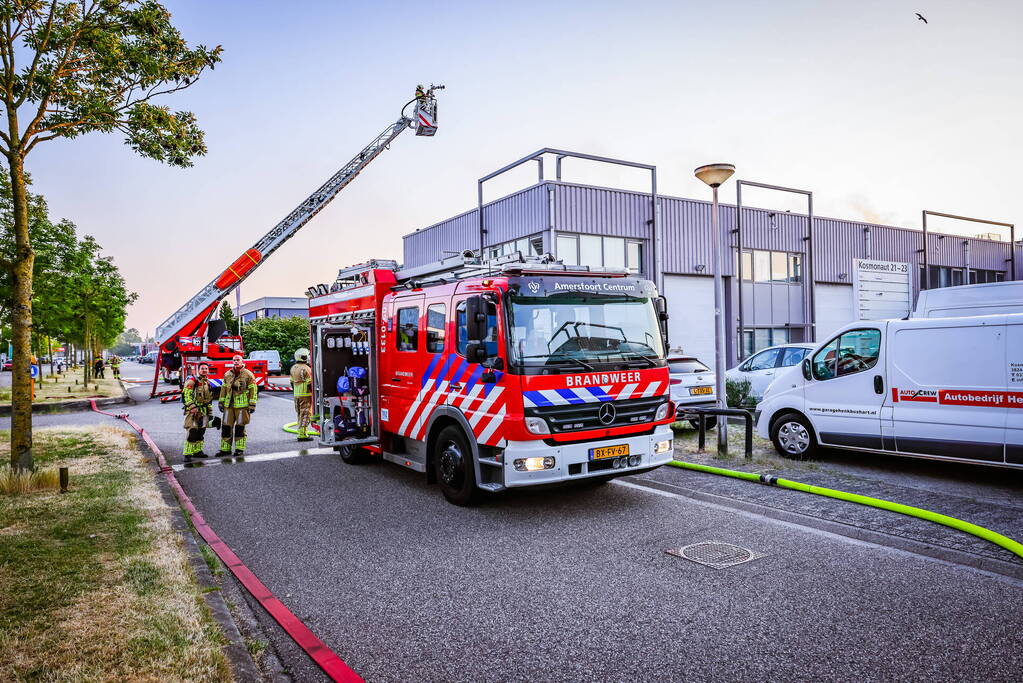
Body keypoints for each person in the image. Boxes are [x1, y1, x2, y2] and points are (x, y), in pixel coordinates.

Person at [218, 354, 257, 456]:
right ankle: (225, 450)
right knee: (226, 427)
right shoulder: (227, 374)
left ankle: (239, 449)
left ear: (242, 361)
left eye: (238, 360)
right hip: (228, 406)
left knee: (240, 428)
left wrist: (252, 404)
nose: (236, 361)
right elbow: (223, 389)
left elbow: (253, 390)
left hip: (242, 406)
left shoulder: (248, 374)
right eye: (234, 360)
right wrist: (221, 402)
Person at [182, 362, 214, 460]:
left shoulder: (207, 383)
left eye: (206, 368)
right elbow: (186, 395)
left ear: (208, 370)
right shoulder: (192, 381)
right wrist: (192, 407)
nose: (204, 370)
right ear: (198, 370)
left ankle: (198, 451)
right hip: (193, 412)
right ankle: (187, 454)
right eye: (202, 368)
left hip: (203, 411)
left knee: (201, 432)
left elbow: (209, 400)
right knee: (192, 431)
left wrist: (210, 413)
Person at [290, 348, 313, 441]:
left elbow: (291, 382)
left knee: (300, 414)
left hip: (296, 395)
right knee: (305, 415)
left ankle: (302, 432)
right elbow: (309, 383)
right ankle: (302, 435)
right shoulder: (307, 368)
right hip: (305, 395)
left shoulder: (293, 368)